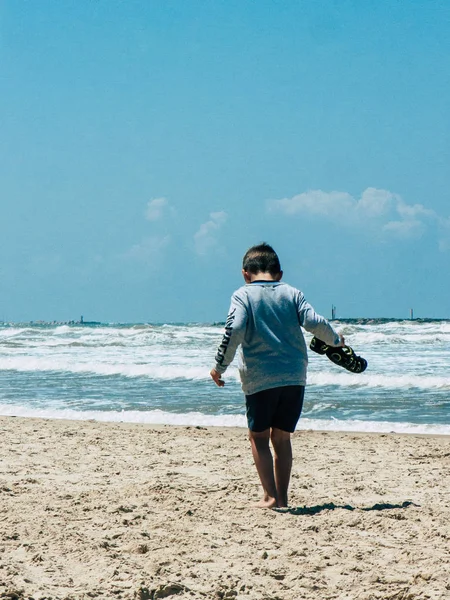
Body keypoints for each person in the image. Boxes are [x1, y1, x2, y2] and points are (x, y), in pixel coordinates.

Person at [210, 243, 344, 509]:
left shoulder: (242, 295)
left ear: (245, 274)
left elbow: (234, 329)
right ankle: (282, 498)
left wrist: (219, 366)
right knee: (282, 438)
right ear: (279, 273)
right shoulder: (292, 293)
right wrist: (336, 341)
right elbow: (315, 322)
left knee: (258, 437)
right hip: (294, 376)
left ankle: (270, 497)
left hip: (260, 377)